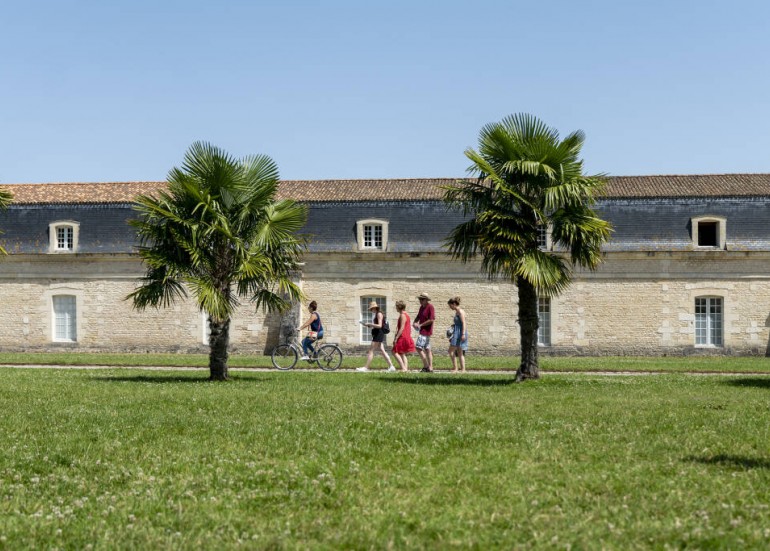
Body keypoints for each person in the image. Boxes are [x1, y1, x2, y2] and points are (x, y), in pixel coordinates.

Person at [356, 301, 396, 372]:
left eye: (372, 309)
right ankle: (391, 366)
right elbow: (377, 325)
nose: (371, 310)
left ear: (375, 308)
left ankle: (366, 367)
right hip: (378, 333)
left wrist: (370, 324)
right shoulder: (377, 314)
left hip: (378, 334)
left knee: (371, 350)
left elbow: (380, 326)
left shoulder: (379, 314)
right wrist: (368, 325)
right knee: (382, 351)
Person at [413, 292, 435, 372]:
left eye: (422, 299)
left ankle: (426, 366)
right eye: (420, 299)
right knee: (427, 349)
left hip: (426, 331)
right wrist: (415, 322)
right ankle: (430, 368)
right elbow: (418, 316)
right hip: (422, 330)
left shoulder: (430, 307)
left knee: (418, 347)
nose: (420, 300)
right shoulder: (421, 307)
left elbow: (431, 320)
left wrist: (420, 325)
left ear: (426, 300)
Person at [391, 300, 415, 372]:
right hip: (406, 336)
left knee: (394, 352)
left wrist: (396, 338)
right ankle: (405, 369)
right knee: (402, 353)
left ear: (399, 307)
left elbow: (401, 328)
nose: (396, 308)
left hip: (402, 336)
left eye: (396, 306)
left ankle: (403, 368)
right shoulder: (406, 315)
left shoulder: (402, 315)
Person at [447, 296, 468, 373]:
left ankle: (455, 368)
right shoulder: (457, 311)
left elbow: (464, 323)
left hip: (460, 332)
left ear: (454, 304)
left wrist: (463, 334)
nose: (450, 307)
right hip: (457, 331)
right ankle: (463, 369)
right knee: (459, 352)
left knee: (450, 351)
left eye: (450, 305)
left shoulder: (460, 311)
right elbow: (458, 323)